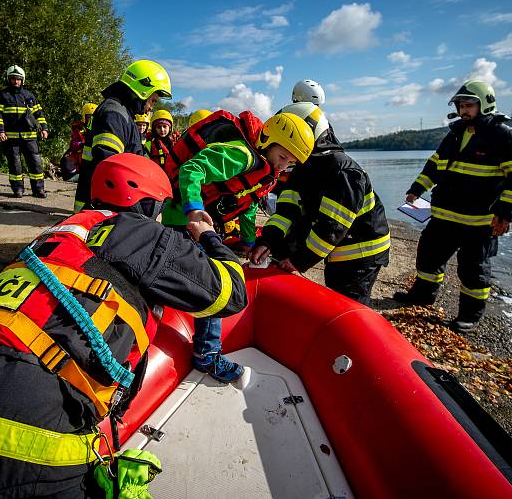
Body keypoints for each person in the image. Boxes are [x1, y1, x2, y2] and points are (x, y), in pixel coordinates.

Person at [0, 153, 248, 498]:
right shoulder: (139, 233)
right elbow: (232, 295)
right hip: (19, 454)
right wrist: (206, 235)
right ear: (149, 205)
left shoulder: (53, 238)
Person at [162, 109, 314, 382]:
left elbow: (248, 205)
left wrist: (247, 243)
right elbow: (192, 169)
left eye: (289, 163)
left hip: (200, 222)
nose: (282, 167)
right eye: (282, 157)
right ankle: (207, 356)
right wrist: (194, 210)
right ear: (267, 141)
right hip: (185, 219)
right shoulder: (241, 156)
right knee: (215, 283)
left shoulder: (263, 168)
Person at [393, 80, 512, 333]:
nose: (463, 110)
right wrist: (416, 189)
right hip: (443, 218)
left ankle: (469, 316)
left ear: (485, 104)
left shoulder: (504, 136)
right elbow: (434, 165)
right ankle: (422, 297)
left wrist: (506, 213)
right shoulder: (455, 134)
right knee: (428, 258)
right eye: (461, 105)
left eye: (469, 105)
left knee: (474, 271)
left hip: (478, 224)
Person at [250, 102, 390, 306]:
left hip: (362, 250)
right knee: (335, 293)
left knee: (348, 304)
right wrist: (268, 242)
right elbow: (287, 212)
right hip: (337, 245)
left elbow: (332, 227)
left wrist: (299, 260)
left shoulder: (343, 172)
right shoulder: (302, 165)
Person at [74, 59, 172, 212]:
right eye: (153, 100)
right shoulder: (115, 115)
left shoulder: (121, 112)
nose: (151, 107)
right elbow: (110, 165)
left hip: (99, 204)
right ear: (143, 90)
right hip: (104, 208)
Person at [0, 65, 49, 198]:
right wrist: (0, 131)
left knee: (35, 163)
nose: (15, 81)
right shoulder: (2, 96)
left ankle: (38, 189)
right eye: (12, 79)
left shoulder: (29, 95)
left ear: (22, 80)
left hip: (30, 137)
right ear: (8, 79)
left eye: (18, 79)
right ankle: (18, 189)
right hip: (11, 138)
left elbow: (39, 114)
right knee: (15, 164)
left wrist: (44, 129)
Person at [60, 103, 96, 182]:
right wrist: (82, 144)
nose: (91, 119)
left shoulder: (99, 129)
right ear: (84, 117)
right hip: (78, 164)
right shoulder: (78, 128)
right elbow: (74, 144)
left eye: (93, 117)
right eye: (89, 117)